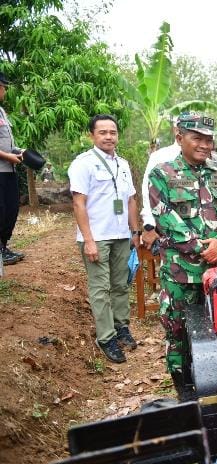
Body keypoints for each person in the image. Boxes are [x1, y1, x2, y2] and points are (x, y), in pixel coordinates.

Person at [148, 112, 217, 390]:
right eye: (197, 138)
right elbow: (166, 219)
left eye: (208, 139)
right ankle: (184, 390)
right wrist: (202, 249)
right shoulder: (162, 173)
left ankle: (216, 387)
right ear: (179, 137)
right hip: (180, 275)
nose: (204, 145)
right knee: (178, 334)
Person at [68, 114, 140, 364]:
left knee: (121, 286)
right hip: (97, 237)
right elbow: (79, 203)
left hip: (121, 235)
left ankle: (121, 327)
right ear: (92, 135)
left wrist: (135, 231)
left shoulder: (123, 164)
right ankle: (106, 337)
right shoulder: (83, 163)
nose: (109, 136)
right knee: (100, 289)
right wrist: (88, 240)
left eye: (113, 132)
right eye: (103, 132)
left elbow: (130, 199)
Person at [140, 117, 181, 248]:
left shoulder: (212, 160)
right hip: (165, 226)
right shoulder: (160, 156)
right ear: (176, 130)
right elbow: (148, 192)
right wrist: (149, 225)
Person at [0, 72, 25, 266]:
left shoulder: (1, 111)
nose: (5, 91)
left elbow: (8, 142)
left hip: (9, 171)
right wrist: (8, 156)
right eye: (4, 87)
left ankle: (3, 247)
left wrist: (19, 151)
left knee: (11, 209)